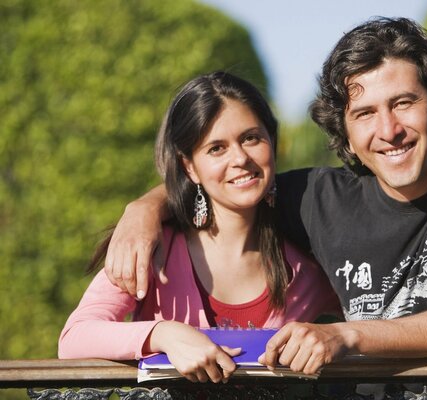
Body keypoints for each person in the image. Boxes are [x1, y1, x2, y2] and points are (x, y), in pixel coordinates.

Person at [103, 17, 427, 376]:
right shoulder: (317, 197)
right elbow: (230, 179)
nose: (388, 130)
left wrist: (346, 335)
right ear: (346, 135)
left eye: (404, 102)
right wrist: (143, 209)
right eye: (365, 113)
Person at [58, 71, 341, 384]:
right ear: (189, 166)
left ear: (272, 143)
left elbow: (372, 317)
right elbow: (74, 338)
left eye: (251, 138)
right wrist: (163, 334)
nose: (240, 158)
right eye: (216, 148)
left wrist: (333, 335)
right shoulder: (153, 248)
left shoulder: (307, 266)